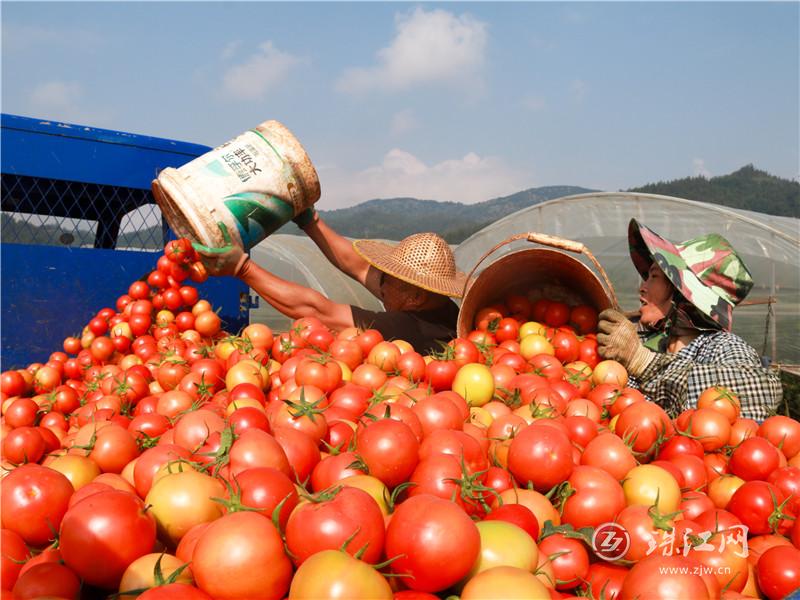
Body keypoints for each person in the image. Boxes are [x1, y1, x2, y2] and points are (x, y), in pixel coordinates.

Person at [193, 208, 467, 355]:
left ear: (415, 297)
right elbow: (358, 266)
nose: (381, 284)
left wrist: (242, 268)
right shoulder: (440, 306)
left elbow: (317, 311)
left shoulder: (410, 327)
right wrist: (310, 221)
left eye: (390, 280)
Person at [596, 218, 782, 421]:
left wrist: (642, 361)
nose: (642, 287)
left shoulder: (720, 346)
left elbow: (763, 392)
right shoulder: (640, 338)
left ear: (681, 294)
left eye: (654, 277)